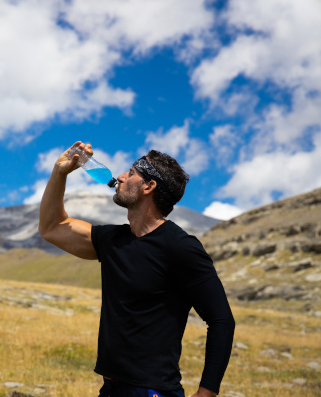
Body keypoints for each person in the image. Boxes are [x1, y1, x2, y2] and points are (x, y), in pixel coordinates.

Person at [38, 141, 235, 397]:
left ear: (148, 186)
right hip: (111, 389)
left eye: (130, 173)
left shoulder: (180, 247)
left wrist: (207, 392)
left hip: (153, 391)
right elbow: (52, 227)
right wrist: (59, 172)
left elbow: (221, 320)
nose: (119, 177)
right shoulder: (113, 240)